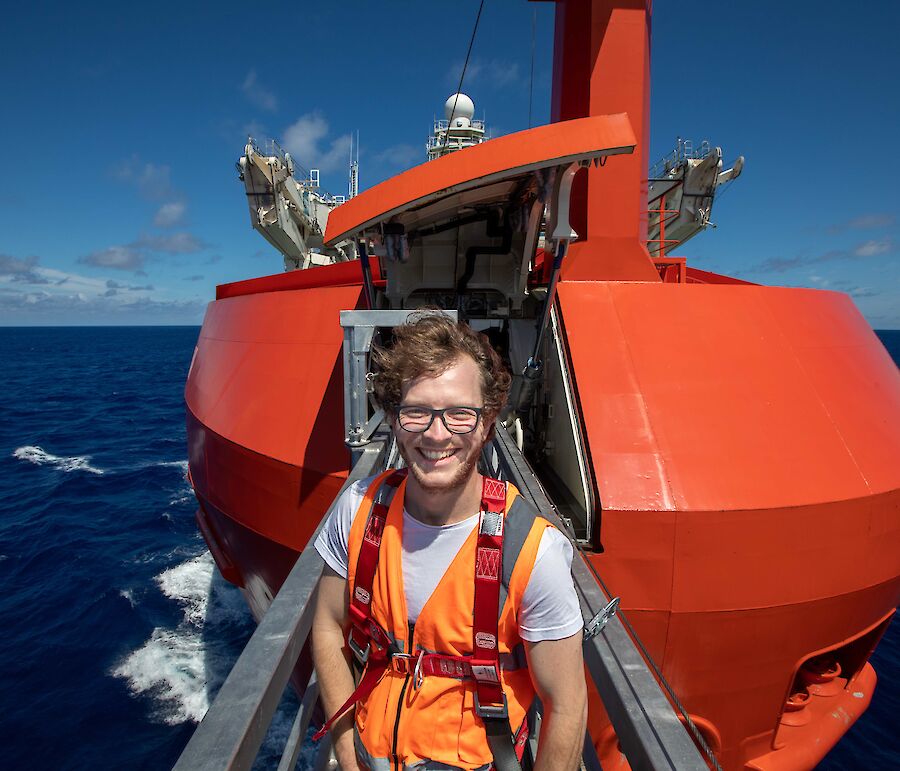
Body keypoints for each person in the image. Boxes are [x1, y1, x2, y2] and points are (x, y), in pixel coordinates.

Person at [312, 312, 586, 771]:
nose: (436, 434)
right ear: (395, 419)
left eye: (460, 414)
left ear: (487, 420)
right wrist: (345, 749)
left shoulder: (532, 552)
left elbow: (567, 705)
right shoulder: (357, 511)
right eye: (416, 411)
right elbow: (326, 627)